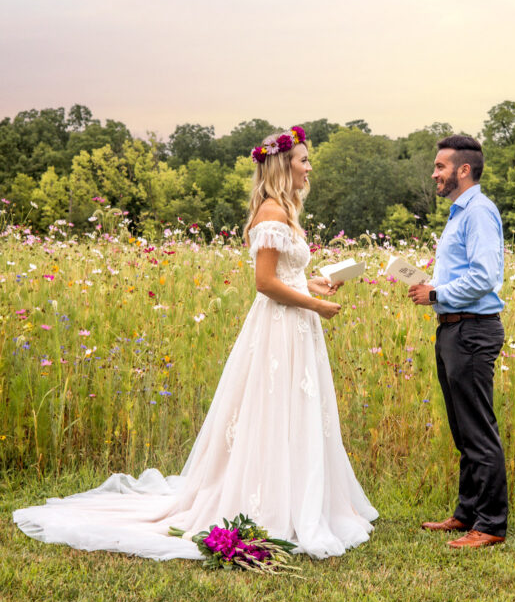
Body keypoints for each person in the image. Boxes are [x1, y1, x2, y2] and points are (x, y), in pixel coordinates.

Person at [14, 126, 377, 560]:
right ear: (283, 165)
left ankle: (303, 495)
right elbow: (264, 284)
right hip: (282, 326)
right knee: (274, 408)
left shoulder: (285, 211)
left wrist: (315, 282)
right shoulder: (272, 215)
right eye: (303, 160)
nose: (308, 167)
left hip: (296, 323)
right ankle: (273, 503)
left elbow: (285, 274)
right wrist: (315, 306)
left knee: (296, 409)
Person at [408, 134, 507, 549]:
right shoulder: (458, 213)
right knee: (462, 428)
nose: (434, 173)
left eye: (440, 167)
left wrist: (435, 293)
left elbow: (485, 276)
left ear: (463, 170)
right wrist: (432, 287)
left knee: (478, 429)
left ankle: (491, 524)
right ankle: (467, 513)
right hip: (452, 327)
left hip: (472, 328)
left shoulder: (479, 212)